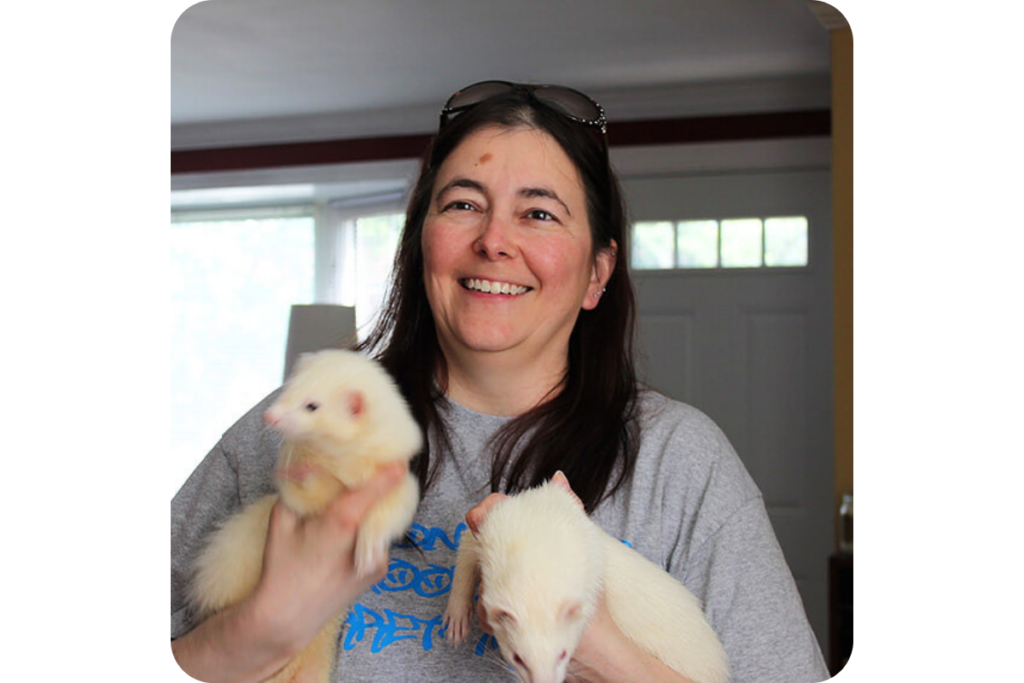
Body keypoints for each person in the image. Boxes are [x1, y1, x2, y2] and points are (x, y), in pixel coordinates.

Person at [170, 80, 830, 682]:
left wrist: (597, 649)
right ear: (419, 242)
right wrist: (260, 631)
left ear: (598, 273)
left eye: (539, 213)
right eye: (463, 203)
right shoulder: (295, 432)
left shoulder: (681, 462)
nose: (493, 240)